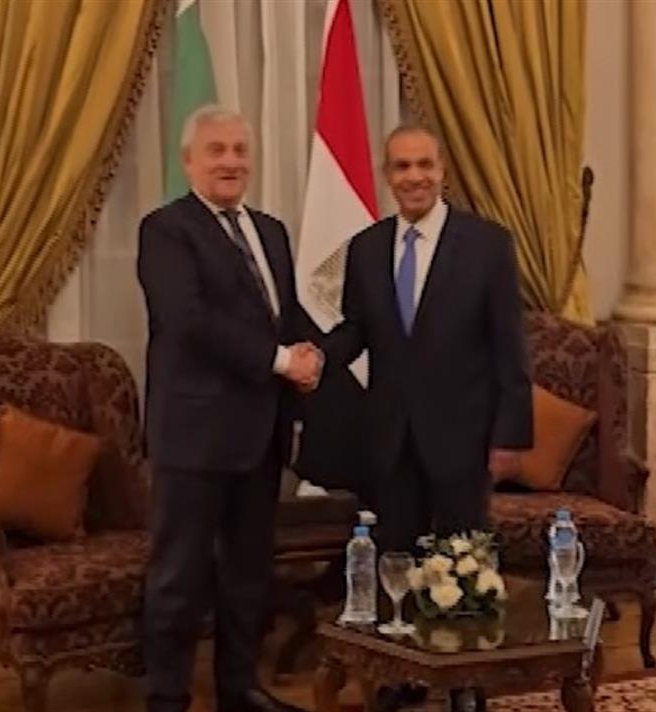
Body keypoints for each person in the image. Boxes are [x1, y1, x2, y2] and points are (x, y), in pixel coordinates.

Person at [137, 106, 318, 712]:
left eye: (240, 150)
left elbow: (281, 317)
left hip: (259, 436)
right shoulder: (165, 231)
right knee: (178, 577)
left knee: (248, 575)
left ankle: (240, 690)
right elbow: (189, 322)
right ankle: (168, 698)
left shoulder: (271, 231)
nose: (231, 162)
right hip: (194, 437)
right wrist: (281, 361)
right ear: (188, 161)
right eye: (216, 151)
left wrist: (311, 354)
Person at [322, 124, 533, 554]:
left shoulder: (487, 245)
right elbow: (356, 329)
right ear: (387, 175)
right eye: (402, 166)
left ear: (442, 170)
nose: (414, 177)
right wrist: (314, 358)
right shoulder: (365, 248)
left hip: (463, 440)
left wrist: (510, 437)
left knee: (462, 568)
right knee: (396, 563)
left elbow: (509, 347)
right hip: (389, 441)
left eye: (424, 165)